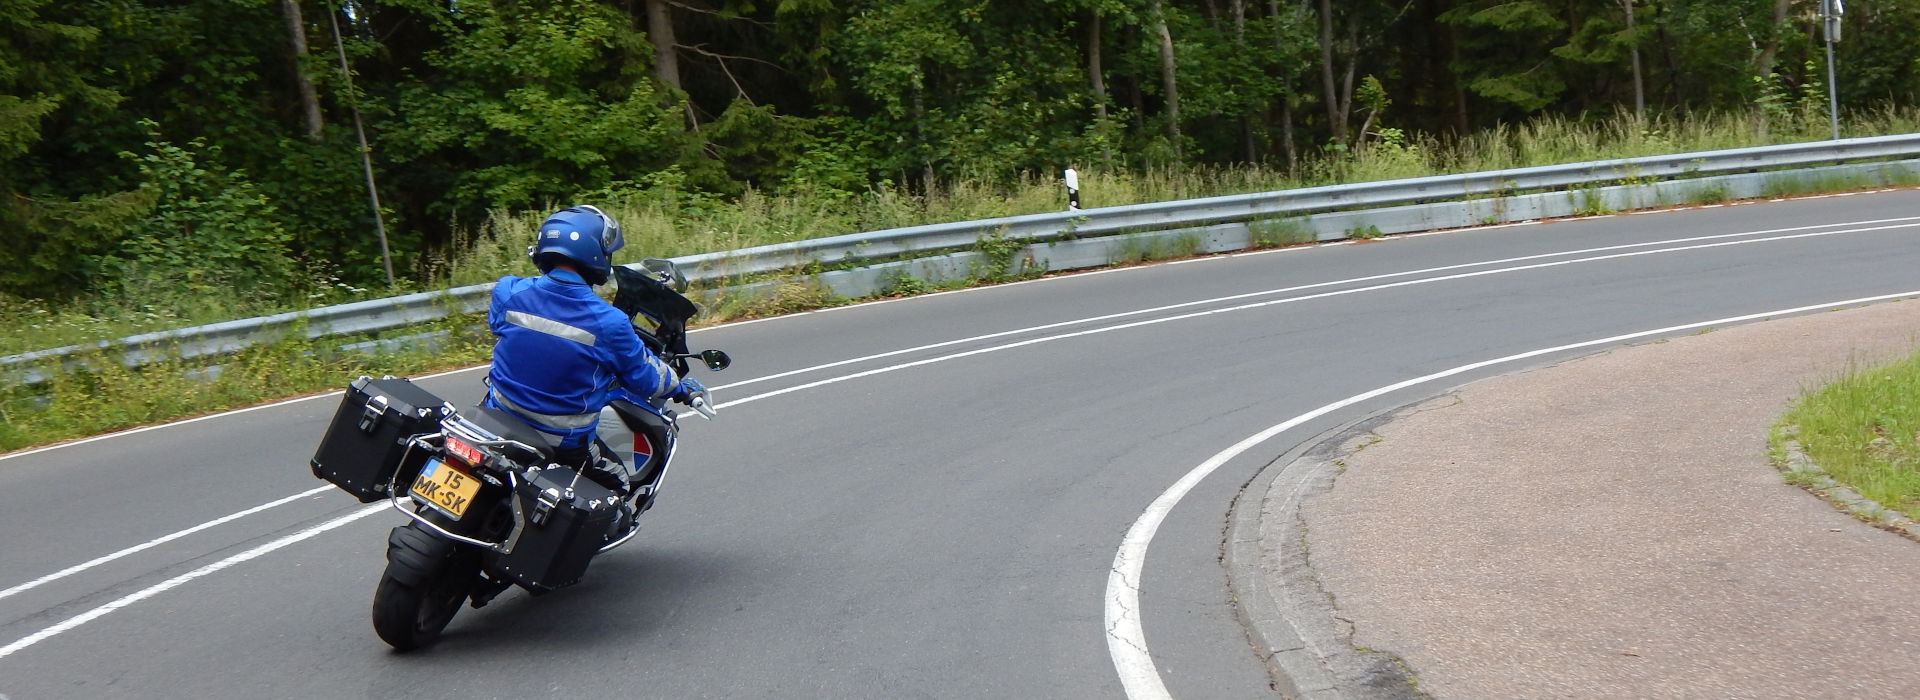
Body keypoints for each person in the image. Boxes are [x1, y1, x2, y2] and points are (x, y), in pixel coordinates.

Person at [483, 204, 702, 495]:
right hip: (559, 437)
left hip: (497, 413)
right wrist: (681, 388)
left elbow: (500, 328)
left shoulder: (509, 291)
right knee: (617, 486)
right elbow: (644, 376)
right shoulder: (608, 323)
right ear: (596, 255)